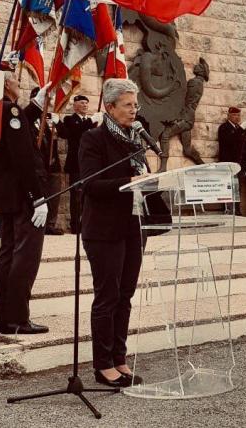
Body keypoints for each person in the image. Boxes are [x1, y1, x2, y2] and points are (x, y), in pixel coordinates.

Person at [80, 78, 169, 388]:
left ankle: (119, 357)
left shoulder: (136, 141)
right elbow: (90, 184)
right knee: (107, 296)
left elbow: (140, 180)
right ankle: (102, 364)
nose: (134, 111)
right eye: (128, 105)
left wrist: (150, 183)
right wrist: (130, 181)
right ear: (110, 107)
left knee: (125, 295)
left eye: (136, 105)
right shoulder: (94, 139)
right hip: (104, 230)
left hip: (134, 226)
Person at [0, 63, 49, 334]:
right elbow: (22, 157)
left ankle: (6, 318)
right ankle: (18, 319)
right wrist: (37, 197)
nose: (18, 82)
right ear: (4, 83)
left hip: (5, 191)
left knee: (9, 252)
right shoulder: (9, 110)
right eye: (14, 78)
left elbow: (16, 128)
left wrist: (36, 104)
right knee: (25, 255)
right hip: (23, 193)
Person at [56, 94, 99, 234]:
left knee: (90, 194)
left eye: (86, 103)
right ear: (75, 105)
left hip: (90, 163)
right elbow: (74, 133)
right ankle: (76, 225)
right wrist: (91, 121)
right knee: (76, 196)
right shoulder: (70, 119)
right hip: (76, 164)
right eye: (82, 103)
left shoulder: (91, 122)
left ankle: (88, 222)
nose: (85, 105)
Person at [24, 86, 63, 235]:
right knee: (41, 194)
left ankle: (50, 224)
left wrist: (58, 123)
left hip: (51, 163)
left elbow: (64, 134)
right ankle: (39, 223)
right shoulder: (28, 118)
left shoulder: (48, 119)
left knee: (53, 195)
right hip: (37, 165)